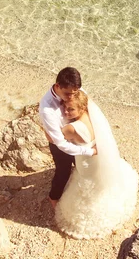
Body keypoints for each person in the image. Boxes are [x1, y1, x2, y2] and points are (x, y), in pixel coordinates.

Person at [55, 90, 139, 239]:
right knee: (98, 180)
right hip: (97, 159)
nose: (66, 111)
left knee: (86, 184)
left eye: (71, 109)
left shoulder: (71, 128)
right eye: (65, 107)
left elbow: (59, 140)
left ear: (81, 108)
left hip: (86, 162)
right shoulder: (91, 118)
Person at [39, 67, 96, 209]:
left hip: (76, 137)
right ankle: (53, 198)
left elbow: (87, 107)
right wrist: (89, 152)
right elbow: (60, 143)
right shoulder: (47, 108)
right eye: (68, 94)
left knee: (80, 168)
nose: (71, 97)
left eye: (74, 93)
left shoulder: (75, 92)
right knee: (62, 172)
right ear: (58, 86)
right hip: (60, 144)